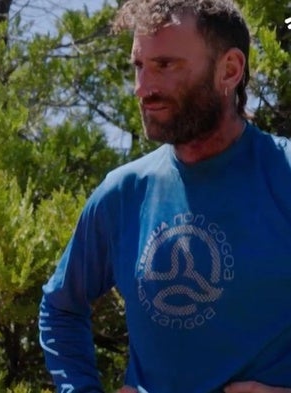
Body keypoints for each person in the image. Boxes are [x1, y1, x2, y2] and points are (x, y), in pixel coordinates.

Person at [38, 0, 291, 392]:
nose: (144, 88)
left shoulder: (284, 174)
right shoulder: (123, 193)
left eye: (166, 65)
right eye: (139, 66)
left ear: (230, 70)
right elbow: (60, 307)